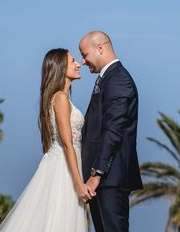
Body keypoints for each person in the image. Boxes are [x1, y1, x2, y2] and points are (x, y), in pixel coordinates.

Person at [0, 48, 92, 231]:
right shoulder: (61, 99)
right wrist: (79, 184)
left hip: (62, 165)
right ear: (61, 68)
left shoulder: (57, 98)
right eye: (73, 61)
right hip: (64, 170)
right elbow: (67, 143)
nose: (78, 64)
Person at [79, 31, 143, 232]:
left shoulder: (118, 80)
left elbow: (113, 131)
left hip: (109, 180)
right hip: (101, 182)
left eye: (85, 54)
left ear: (100, 48)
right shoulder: (107, 79)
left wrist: (97, 174)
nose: (82, 61)